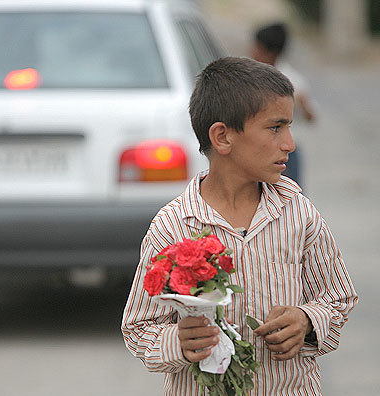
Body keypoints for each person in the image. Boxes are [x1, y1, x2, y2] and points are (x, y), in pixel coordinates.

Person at [121, 57, 357, 395]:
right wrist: (179, 341)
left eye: (289, 127)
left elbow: (338, 297)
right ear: (223, 137)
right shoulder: (173, 227)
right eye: (276, 127)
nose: (289, 143)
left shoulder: (298, 213)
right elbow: (139, 327)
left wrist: (307, 321)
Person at [251, 22, 317, 188]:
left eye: (257, 48)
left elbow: (312, 117)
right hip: (259, 148)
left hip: (287, 152)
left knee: (289, 198)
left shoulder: (292, 79)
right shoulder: (251, 77)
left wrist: (303, 103)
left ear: (270, 51)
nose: (253, 52)